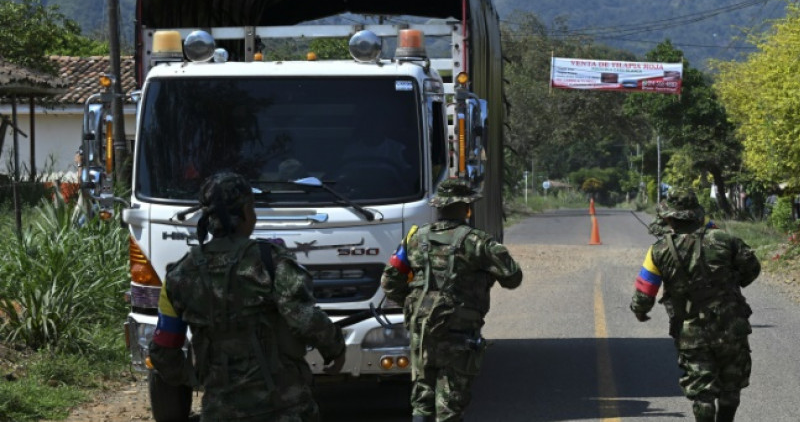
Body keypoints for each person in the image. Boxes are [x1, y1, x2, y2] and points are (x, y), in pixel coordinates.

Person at [148, 172, 346, 421]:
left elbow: (164, 352)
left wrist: (199, 378)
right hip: (284, 409)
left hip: (220, 412)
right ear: (245, 211)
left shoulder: (177, 276)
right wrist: (335, 349)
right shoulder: (270, 261)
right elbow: (305, 319)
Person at [381, 178, 523, 422]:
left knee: (422, 398)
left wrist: (415, 302)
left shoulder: (415, 239)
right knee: (451, 401)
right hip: (459, 329)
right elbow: (513, 278)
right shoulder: (477, 241)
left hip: (422, 327)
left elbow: (390, 281)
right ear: (466, 207)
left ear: (439, 207)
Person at [631, 190, 761, 422]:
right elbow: (752, 269)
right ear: (697, 215)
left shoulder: (658, 250)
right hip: (731, 326)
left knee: (703, 393)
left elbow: (644, 294)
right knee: (731, 386)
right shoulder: (725, 240)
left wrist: (641, 312)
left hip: (691, 331)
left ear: (669, 218)